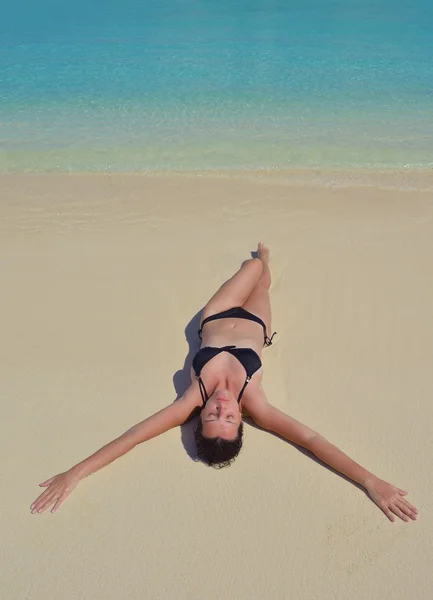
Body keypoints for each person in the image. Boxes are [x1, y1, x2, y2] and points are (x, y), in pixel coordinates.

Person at [30, 243, 418, 523]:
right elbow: (313, 442)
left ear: (200, 419)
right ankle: (265, 263)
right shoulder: (257, 403)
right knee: (262, 283)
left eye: (213, 416)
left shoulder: (190, 398)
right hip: (256, 325)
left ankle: (260, 260)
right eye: (229, 419)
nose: (221, 407)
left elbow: (132, 436)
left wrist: (75, 472)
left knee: (251, 270)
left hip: (215, 315)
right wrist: (371, 481)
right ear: (239, 421)